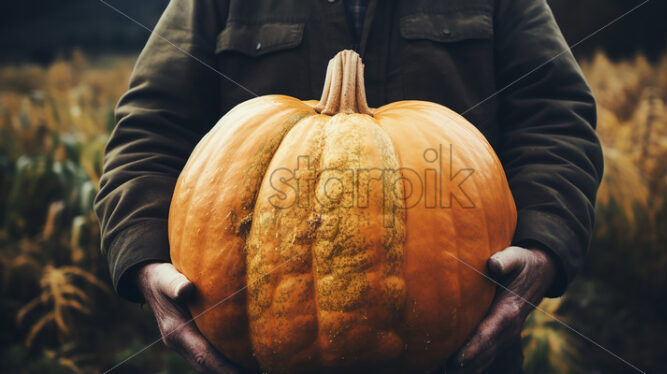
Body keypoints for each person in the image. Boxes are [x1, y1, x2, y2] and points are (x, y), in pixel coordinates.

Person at [95, 0, 603, 373]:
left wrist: (544, 247)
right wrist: (142, 261)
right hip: (253, 356)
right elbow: (150, 127)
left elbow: (555, 117)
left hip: (461, 347)